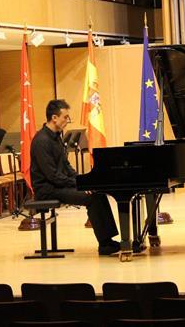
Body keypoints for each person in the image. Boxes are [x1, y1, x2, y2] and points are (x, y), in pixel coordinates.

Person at [31, 99, 120, 255]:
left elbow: (66, 166)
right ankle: (105, 245)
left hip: (58, 185)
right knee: (91, 198)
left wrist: (84, 182)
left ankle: (108, 241)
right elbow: (52, 176)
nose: (67, 121)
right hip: (47, 189)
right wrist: (78, 184)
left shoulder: (56, 136)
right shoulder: (41, 141)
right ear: (54, 118)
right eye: (65, 117)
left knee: (97, 192)